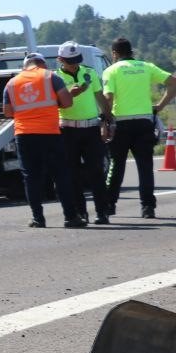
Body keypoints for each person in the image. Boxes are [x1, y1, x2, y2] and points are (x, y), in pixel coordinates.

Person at [102, 37, 176, 219]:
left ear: (114, 54)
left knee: (116, 165)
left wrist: (105, 120)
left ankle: (109, 205)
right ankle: (147, 208)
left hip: (121, 123)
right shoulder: (146, 66)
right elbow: (173, 81)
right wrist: (159, 106)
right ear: (131, 51)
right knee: (145, 166)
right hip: (144, 122)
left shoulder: (111, 70)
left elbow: (109, 97)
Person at [2, 52, 78, 228]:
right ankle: (70, 217)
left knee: (31, 177)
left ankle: (38, 218)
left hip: (24, 134)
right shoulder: (51, 76)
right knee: (61, 175)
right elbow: (67, 103)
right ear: (42, 64)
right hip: (50, 133)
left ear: (24, 65)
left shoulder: (12, 83)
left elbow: (7, 112)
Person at [53, 41, 114, 224]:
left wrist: (107, 119)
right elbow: (54, 104)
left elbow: (100, 97)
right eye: (70, 61)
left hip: (91, 128)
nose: (74, 64)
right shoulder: (55, 78)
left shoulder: (90, 72)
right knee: (72, 174)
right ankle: (81, 213)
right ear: (60, 60)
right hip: (67, 129)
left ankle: (102, 212)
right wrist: (71, 94)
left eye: (76, 60)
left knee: (96, 171)